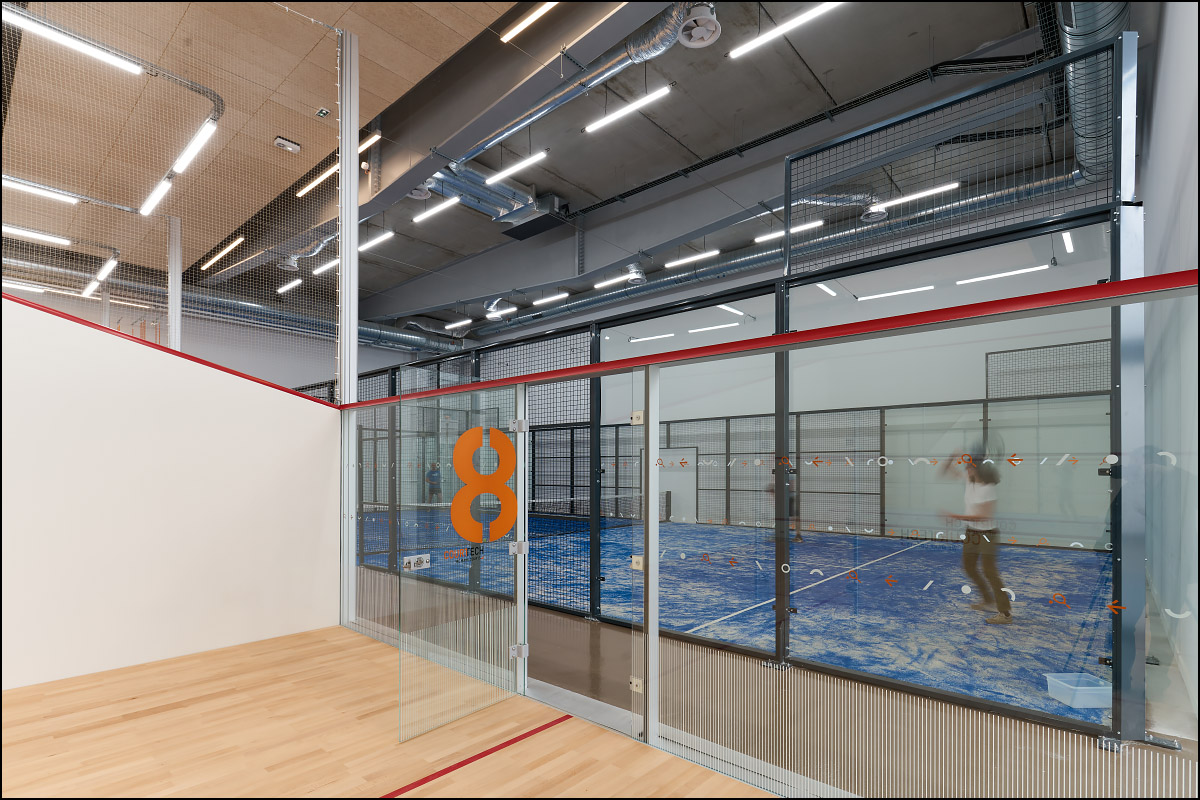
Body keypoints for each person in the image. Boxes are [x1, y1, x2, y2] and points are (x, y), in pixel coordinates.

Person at [941, 451, 1012, 625]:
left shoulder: (989, 489)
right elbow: (945, 470)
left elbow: (983, 517)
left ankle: (1005, 613)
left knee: (989, 571)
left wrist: (955, 516)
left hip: (987, 534)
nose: (966, 469)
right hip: (971, 532)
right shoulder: (969, 480)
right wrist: (952, 457)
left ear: (978, 469)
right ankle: (988, 600)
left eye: (969, 467)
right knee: (969, 567)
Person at [765, 475, 802, 542]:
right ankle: (795, 535)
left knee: (787, 516)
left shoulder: (786, 475)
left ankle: (794, 535)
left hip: (788, 498)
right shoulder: (783, 476)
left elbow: (789, 486)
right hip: (787, 497)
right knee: (788, 516)